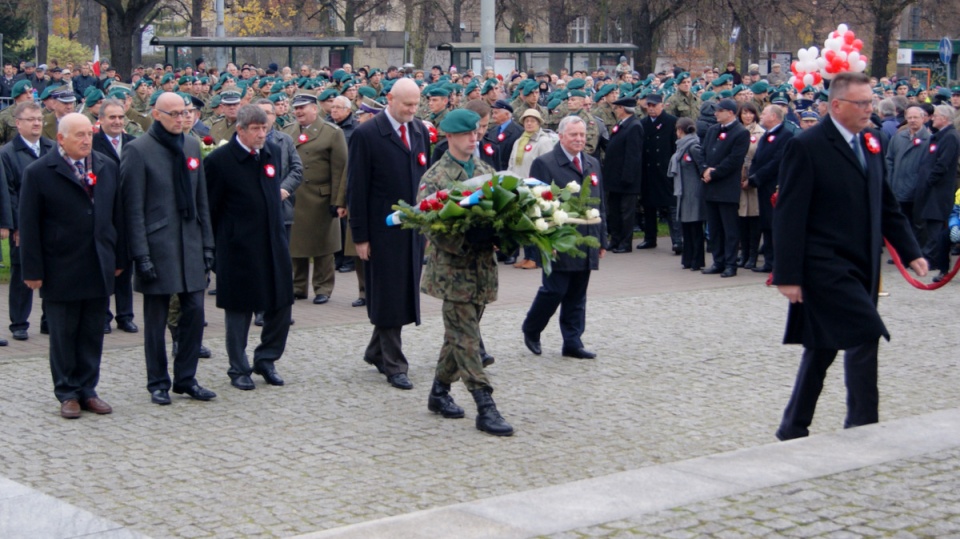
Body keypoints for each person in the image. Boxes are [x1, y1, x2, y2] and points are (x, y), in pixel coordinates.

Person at [772, 72, 928, 441]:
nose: (869, 110)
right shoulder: (807, 145)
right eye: (862, 103)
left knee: (822, 347)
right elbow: (789, 215)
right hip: (823, 264)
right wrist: (788, 274)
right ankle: (863, 424)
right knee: (865, 330)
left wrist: (911, 252)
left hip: (863, 264)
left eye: (871, 102)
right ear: (837, 105)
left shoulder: (872, 141)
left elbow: (886, 204)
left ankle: (792, 427)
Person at [18, 113, 124, 418]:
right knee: (63, 334)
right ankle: (67, 392)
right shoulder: (39, 172)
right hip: (60, 265)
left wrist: (118, 258)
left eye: (89, 134)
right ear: (61, 138)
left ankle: (88, 389)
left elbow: (117, 216)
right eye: (79, 135)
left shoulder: (105, 165)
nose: (86, 140)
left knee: (93, 331)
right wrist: (33, 271)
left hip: (98, 262)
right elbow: (30, 224)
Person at [417, 108, 512, 436]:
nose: (474, 138)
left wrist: (505, 235)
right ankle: (485, 405)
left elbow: (503, 207)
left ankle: (439, 392)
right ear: (450, 137)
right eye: (467, 134)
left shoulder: (486, 170)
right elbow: (429, 225)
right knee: (467, 339)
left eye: (476, 133)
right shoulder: (435, 178)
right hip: (453, 272)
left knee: (456, 337)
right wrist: (466, 238)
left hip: (482, 271)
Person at [121, 92, 217, 406]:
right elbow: (132, 209)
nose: (181, 119)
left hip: (189, 242)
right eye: (174, 113)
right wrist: (141, 255)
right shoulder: (138, 150)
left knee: (194, 311)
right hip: (158, 245)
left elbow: (201, 198)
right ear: (156, 114)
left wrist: (206, 244)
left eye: (185, 112)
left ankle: (186, 378)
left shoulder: (191, 145)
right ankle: (157, 382)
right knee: (156, 317)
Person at [347, 78, 427, 391]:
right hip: (382, 230)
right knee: (389, 294)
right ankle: (395, 364)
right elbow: (357, 188)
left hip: (412, 228)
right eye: (407, 104)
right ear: (390, 99)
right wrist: (360, 236)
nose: (412, 110)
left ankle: (375, 350)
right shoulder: (367, 134)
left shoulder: (419, 130)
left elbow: (424, 178)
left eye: (416, 104)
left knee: (403, 291)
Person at [205, 105, 293, 390]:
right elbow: (210, 209)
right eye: (255, 129)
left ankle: (266, 359)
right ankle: (238, 367)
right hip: (238, 247)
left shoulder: (271, 153)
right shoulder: (220, 160)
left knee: (281, 305)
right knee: (239, 309)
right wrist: (216, 249)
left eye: (264, 128)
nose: (261, 134)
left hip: (273, 243)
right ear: (239, 130)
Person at [522, 115, 607, 359]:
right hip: (558, 239)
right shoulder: (545, 163)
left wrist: (601, 238)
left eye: (582, 135)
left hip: (586, 238)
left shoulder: (592, 162)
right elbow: (536, 205)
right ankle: (532, 327)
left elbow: (600, 202)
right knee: (554, 290)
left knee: (577, 294)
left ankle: (572, 341)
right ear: (561, 136)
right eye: (573, 135)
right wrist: (544, 242)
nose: (579, 139)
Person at [283, 93, 348, 305]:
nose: (299, 112)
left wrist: (339, 201)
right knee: (296, 245)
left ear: (315, 109)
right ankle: (296, 286)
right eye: (296, 108)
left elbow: (341, 169)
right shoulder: (288, 132)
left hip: (321, 198)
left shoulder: (331, 133)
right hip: (294, 197)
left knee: (323, 247)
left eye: (303, 108)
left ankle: (323, 288)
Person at [3, 102, 54, 342]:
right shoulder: (7, 153)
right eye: (31, 119)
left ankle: (49, 320)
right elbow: (9, 192)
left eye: (39, 119)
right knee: (22, 272)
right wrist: (17, 225)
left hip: (51, 222)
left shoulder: (51, 148)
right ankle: (19, 322)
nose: (36, 123)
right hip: (23, 224)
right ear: (17, 123)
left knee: (52, 271)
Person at [92, 98, 139, 334]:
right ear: (100, 120)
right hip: (104, 211)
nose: (117, 122)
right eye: (112, 117)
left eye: (121, 117)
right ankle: (103, 315)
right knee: (104, 264)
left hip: (128, 211)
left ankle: (125, 315)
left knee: (125, 264)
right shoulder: (91, 144)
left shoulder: (134, 143)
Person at [700, 98, 750, 277]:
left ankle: (730, 263)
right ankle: (718, 261)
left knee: (729, 229)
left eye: (719, 111)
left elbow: (735, 160)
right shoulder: (713, 130)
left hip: (726, 186)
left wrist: (714, 172)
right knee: (714, 228)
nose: (715, 114)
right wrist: (704, 169)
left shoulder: (740, 132)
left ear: (730, 112)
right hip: (710, 186)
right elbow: (703, 152)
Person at [506, 108, 558, 269]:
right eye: (526, 121)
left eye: (533, 121)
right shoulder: (519, 141)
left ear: (539, 123)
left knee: (536, 223)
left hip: (536, 188)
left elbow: (548, 164)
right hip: (519, 188)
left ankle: (536, 257)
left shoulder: (544, 141)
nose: (529, 123)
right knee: (524, 223)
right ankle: (528, 256)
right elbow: (512, 164)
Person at [747, 105, 794, 273]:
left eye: (765, 113)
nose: (761, 115)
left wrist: (757, 177)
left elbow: (777, 161)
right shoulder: (767, 135)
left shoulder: (785, 135)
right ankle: (769, 262)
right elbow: (757, 158)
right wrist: (752, 176)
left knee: (775, 224)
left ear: (774, 116)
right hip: (763, 185)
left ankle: (778, 263)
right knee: (766, 223)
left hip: (775, 185)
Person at [913, 105, 960, 272]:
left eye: (936, 116)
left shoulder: (950, 137)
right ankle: (933, 257)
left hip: (938, 191)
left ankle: (933, 259)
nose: (932, 118)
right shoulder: (940, 136)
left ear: (945, 119)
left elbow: (943, 164)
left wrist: (929, 180)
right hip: (932, 189)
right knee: (931, 225)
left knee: (935, 226)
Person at [638, 93, 679, 252]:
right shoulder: (643, 123)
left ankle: (677, 240)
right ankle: (650, 238)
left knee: (670, 205)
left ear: (662, 105)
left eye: (654, 105)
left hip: (665, 170)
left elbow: (674, 147)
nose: (651, 109)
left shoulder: (671, 122)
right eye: (649, 106)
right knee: (648, 205)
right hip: (649, 170)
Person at [603, 96, 644, 253]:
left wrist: (627, 177)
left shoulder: (634, 126)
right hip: (614, 178)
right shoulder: (621, 125)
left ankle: (625, 243)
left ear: (624, 109)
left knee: (626, 213)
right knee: (614, 212)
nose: (616, 110)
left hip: (626, 179)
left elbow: (633, 155)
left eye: (618, 108)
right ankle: (615, 239)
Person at [885, 104, 929, 244]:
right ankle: (903, 254)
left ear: (923, 119)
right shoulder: (898, 138)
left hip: (917, 189)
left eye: (915, 117)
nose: (912, 120)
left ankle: (919, 253)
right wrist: (891, 180)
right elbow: (889, 160)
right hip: (898, 188)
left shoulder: (929, 139)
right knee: (902, 223)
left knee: (918, 223)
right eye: (909, 117)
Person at [669, 118, 706, 270]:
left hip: (694, 192)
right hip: (684, 192)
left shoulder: (693, 146)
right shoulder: (681, 147)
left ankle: (697, 260)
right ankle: (688, 258)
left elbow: (702, 168)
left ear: (680, 130)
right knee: (687, 227)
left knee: (695, 227)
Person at [737, 101, 764, 270]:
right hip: (738, 178)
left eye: (750, 113)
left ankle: (753, 255)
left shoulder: (761, 133)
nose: (747, 116)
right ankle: (744, 252)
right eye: (744, 113)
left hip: (753, 179)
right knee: (741, 218)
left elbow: (761, 157)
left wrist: (752, 178)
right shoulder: (737, 131)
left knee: (754, 217)